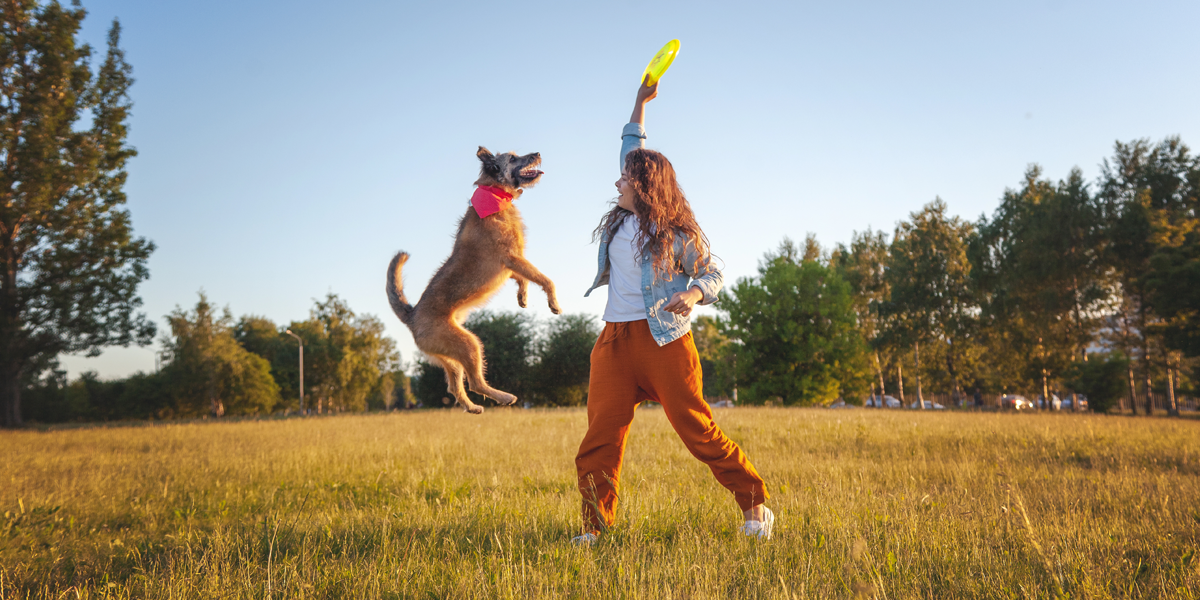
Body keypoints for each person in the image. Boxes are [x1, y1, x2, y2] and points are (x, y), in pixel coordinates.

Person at [571, 76, 772, 546]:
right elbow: (631, 142)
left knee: (697, 431)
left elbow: (712, 275)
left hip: (665, 341)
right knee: (599, 439)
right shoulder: (622, 218)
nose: (617, 179)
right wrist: (640, 101)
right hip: (614, 342)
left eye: (625, 177)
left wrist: (694, 295)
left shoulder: (677, 235)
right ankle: (594, 529)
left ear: (643, 186)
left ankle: (755, 505)